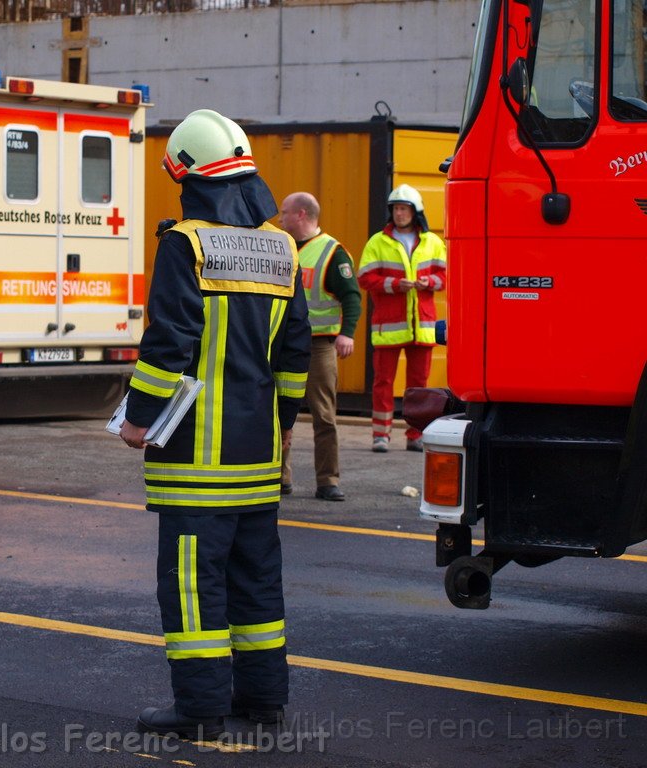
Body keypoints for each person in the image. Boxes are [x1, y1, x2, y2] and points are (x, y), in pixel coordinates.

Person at [119, 109, 311, 739]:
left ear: (189, 175)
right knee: (257, 582)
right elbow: (294, 357)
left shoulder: (186, 244)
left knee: (194, 586)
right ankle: (265, 700)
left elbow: (169, 342)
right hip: (258, 457)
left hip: (196, 461)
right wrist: (278, 428)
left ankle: (200, 709)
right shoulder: (283, 246)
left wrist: (138, 420)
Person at [277, 192, 361, 501]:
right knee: (277, 413)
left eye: (284, 213)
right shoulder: (280, 246)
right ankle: (279, 477)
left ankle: (328, 480)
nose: (279, 219)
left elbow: (352, 296)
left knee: (324, 416)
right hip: (284, 346)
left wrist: (347, 333)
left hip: (318, 346)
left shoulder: (332, 252)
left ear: (301, 215)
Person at [357, 184, 446, 453]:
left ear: (415, 211)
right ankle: (381, 435)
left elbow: (446, 277)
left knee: (419, 386)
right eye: (396, 209)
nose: (400, 214)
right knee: (383, 383)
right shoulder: (377, 242)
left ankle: (415, 435)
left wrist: (426, 281)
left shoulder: (433, 242)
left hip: (423, 326)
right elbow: (365, 278)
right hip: (389, 326)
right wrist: (396, 285)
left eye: (404, 209)